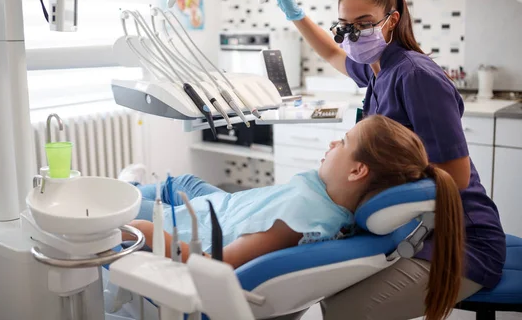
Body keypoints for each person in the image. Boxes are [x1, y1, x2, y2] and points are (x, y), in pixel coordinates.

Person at [272, 0, 506, 319]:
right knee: (318, 289)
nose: (352, 35)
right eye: (344, 26)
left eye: (363, 24)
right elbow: (334, 56)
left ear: (391, 20)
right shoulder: (379, 67)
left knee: (346, 311)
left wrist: (363, 174)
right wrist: (296, 14)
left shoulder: (416, 76)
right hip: (413, 228)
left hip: (461, 239)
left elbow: (454, 176)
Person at [125, 115, 465, 320]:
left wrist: (148, 233)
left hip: (197, 225)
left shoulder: (299, 220)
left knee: (135, 207)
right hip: (231, 207)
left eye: (343, 142)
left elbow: (220, 262)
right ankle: (135, 186)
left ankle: (131, 189)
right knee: (182, 184)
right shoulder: (330, 201)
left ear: (358, 170)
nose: (333, 142)